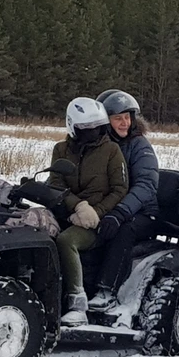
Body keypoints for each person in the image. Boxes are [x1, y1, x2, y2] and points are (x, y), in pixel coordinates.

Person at [49, 97, 129, 325]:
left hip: (98, 221)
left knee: (66, 241)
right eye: (86, 128)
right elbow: (55, 183)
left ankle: (78, 303)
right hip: (67, 212)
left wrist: (97, 212)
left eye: (97, 126)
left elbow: (120, 188)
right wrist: (76, 206)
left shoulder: (111, 151)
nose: (92, 131)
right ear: (74, 127)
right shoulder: (61, 149)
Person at [86, 90, 160, 312]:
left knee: (122, 230)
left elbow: (147, 185)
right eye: (118, 118)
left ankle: (107, 289)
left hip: (143, 212)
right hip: (110, 206)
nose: (124, 123)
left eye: (128, 117)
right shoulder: (98, 145)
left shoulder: (139, 146)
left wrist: (119, 213)